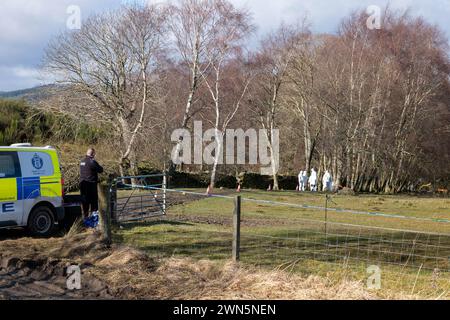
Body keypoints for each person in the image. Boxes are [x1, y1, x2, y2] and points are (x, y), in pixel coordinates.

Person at [80, 148, 104, 219]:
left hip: (83, 185)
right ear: (93, 154)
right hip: (91, 185)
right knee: (94, 202)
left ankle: (85, 218)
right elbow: (100, 170)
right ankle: (94, 219)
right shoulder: (92, 162)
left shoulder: (82, 161)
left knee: (85, 202)